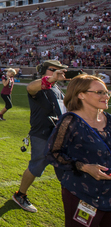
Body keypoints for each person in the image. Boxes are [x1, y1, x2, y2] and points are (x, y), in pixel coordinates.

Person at [45, 74, 111, 226]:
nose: (105, 96)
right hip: (82, 193)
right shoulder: (70, 121)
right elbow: (52, 154)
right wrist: (85, 167)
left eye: (106, 92)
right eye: (99, 92)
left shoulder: (109, 120)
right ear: (81, 94)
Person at [12, 60, 68, 213]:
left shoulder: (57, 89)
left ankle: (72, 198)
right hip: (42, 132)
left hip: (58, 134)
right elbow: (30, 88)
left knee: (64, 168)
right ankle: (20, 194)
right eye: (53, 70)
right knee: (37, 166)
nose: (57, 72)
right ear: (44, 70)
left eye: (60, 70)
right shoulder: (40, 85)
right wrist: (51, 79)